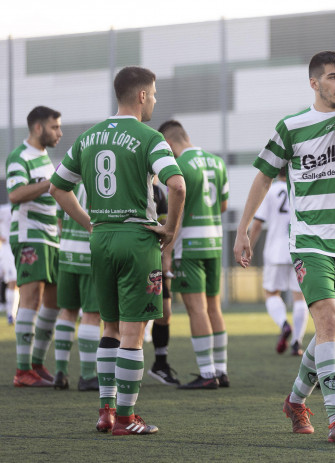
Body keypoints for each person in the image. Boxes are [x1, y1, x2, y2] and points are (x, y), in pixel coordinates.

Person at [233, 51, 335, 444]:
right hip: (309, 241)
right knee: (324, 323)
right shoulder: (291, 127)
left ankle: (295, 401)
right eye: (333, 77)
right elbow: (262, 178)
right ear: (314, 83)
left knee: (334, 332)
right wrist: (243, 232)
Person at [50, 66, 185, 435]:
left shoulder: (87, 137)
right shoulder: (149, 137)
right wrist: (170, 229)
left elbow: (58, 188)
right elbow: (177, 185)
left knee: (109, 326)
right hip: (136, 238)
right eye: (154, 93)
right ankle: (126, 417)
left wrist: (89, 223)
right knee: (133, 332)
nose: (155, 99)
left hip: (101, 239)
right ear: (141, 95)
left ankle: (106, 411)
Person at [158, 119, 230, 390]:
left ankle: (207, 372)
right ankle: (221, 371)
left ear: (168, 143)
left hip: (190, 246)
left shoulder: (178, 167)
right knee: (214, 306)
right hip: (215, 242)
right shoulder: (217, 162)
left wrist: (167, 248)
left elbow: (176, 212)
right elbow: (222, 205)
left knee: (196, 308)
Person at [7, 106, 63, 387]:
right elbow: (15, 194)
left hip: (50, 237)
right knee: (30, 300)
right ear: (38, 128)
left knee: (52, 303)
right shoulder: (20, 157)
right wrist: (51, 182)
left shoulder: (43, 157)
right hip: (30, 236)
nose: (60, 133)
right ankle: (22, 370)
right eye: (55, 127)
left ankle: (37, 364)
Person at [247, 167, 308, 357]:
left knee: (271, 293)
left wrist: (248, 246)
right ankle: (297, 343)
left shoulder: (270, 190)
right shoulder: (301, 188)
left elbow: (257, 223)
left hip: (275, 251)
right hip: (300, 249)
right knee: (300, 297)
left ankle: (283, 324)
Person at [54, 183, 102, 391]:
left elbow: (59, 218)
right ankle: (88, 375)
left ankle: (60, 371)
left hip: (66, 252)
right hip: (91, 254)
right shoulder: (101, 173)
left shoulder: (69, 176)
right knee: (92, 314)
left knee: (67, 311)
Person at [146, 180, 181, 386]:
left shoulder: (157, 191)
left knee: (165, 311)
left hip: (153, 260)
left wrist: (166, 258)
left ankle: (160, 364)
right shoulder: (125, 184)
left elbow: (167, 224)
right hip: (129, 257)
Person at [0, 202, 19, 325]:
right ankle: (10, 314)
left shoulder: (25, 206)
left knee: (18, 283)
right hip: (7, 248)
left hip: (21, 246)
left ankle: (13, 313)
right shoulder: (4, 209)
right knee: (12, 281)